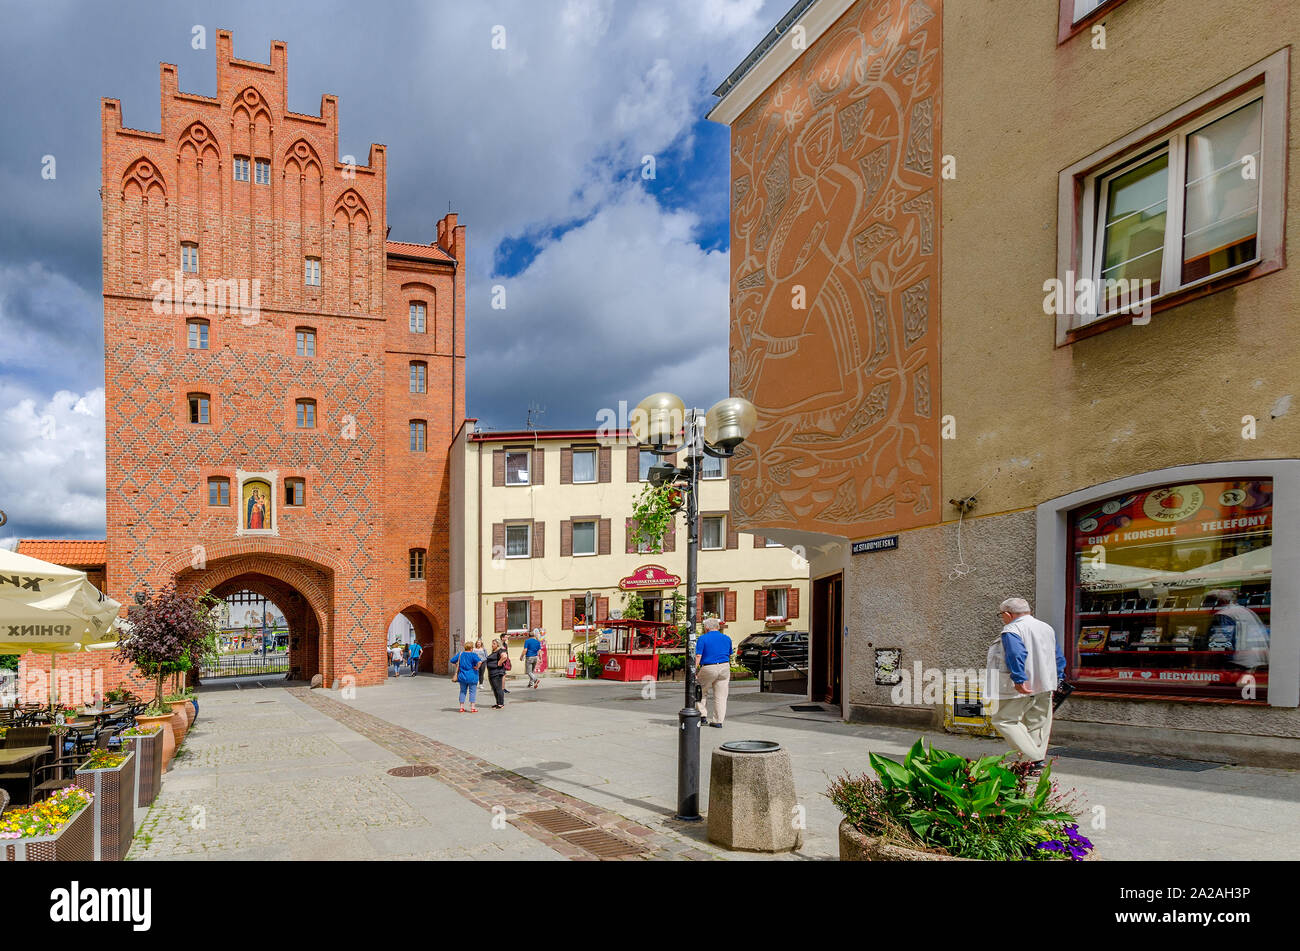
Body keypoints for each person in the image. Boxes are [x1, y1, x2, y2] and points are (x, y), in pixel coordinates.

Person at [986, 597, 1065, 776]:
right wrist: (1059, 678)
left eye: (1001, 615)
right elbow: (1058, 656)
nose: (1002, 618)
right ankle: (1031, 766)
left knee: (1004, 720)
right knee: (1037, 723)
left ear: (1008, 614)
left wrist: (1019, 680)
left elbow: (1016, 654)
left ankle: (1033, 759)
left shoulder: (1012, 629)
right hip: (1046, 683)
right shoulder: (1046, 628)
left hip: (1022, 686)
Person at [694, 617, 733, 728]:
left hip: (709, 667)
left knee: (700, 691)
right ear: (718, 627)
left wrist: (694, 670)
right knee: (721, 696)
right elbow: (729, 654)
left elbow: (698, 656)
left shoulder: (703, 638)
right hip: (724, 666)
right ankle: (718, 721)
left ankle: (702, 716)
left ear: (706, 628)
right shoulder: (727, 638)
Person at [449, 639, 481, 713]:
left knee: (462, 691)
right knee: (472, 692)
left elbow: (452, 661)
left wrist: (457, 666)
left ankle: (461, 707)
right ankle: (472, 708)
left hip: (462, 676)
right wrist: (477, 667)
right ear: (471, 648)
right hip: (472, 676)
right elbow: (479, 662)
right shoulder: (473, 655)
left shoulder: (460, 654)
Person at [484, 638, 508, 708]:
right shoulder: (494, 651)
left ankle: (501, 704)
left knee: (498, 688)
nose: (492, 645)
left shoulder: (501, 650)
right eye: (492, 643)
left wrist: (499, 662)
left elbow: (504, 656)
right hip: (492, 672)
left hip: (497, 672)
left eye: (494, 644)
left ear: (498, 644)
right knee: (494, 689)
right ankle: (498, 703)